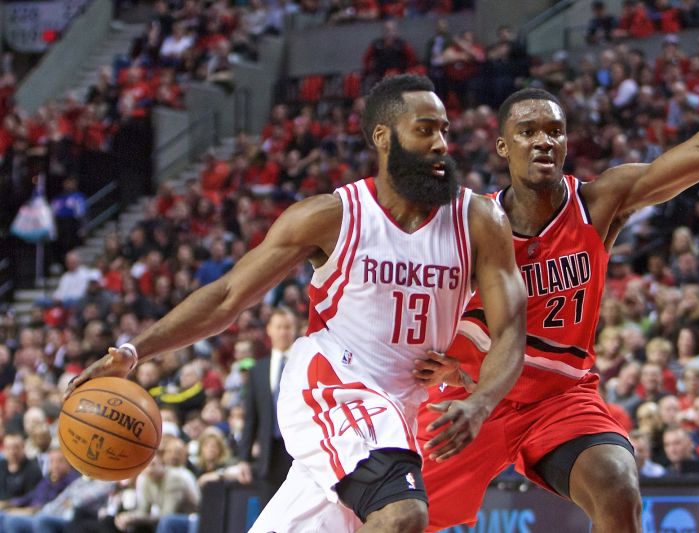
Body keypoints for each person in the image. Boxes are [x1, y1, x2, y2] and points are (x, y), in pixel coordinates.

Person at [416, 40, 699, 533]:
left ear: (568, 143)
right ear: (503, 146)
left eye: (555, 131)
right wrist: (428, 352)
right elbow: (408, 295)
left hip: (560, 399)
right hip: (472, 395)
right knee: (393, 515)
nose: (543, 142)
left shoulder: (598, 204)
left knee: (618, 486)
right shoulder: (471, 224)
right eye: (527, 132)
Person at [67, 74, 526, 533]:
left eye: (445, 130)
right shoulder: (333, 217)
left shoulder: (479, 220)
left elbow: (510, 330)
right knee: (402, 514)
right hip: (333, 384)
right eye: (425, 129)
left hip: (400, 408)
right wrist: (132, 352)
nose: (441, 143)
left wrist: (482, 402)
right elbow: (227, 297)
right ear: (384, 138)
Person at [237, 308, 296, 506]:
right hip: (268, 454)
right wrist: (243, 458)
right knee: (270, 514)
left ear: (294, 330)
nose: (283, 332)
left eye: (287, 327)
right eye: (278, 327)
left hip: (299, 452)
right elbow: (250, 418)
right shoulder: (257, 370)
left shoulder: (305, 363)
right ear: (269, 329)